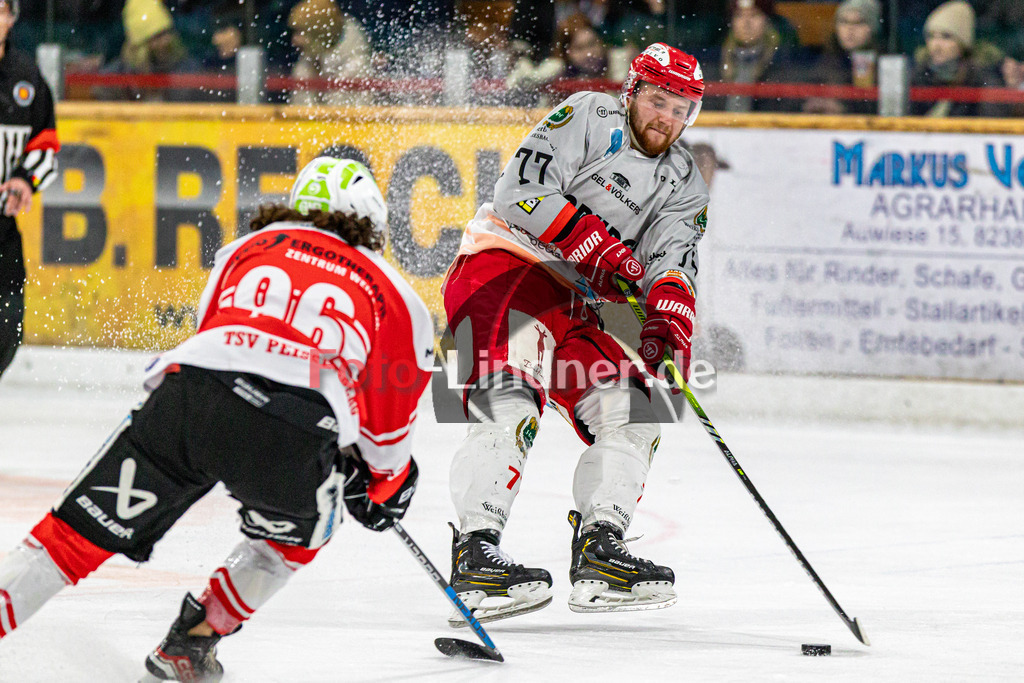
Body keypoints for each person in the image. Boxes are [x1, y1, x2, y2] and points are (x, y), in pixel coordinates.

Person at [0, 158, 434, 681]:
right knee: (293, 539)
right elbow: (386, 434)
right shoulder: (396, 293)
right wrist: (383, 488)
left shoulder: (247, 249)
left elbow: (213, 339)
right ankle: (194, 639)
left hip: (191, 401)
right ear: (374, 223)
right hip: (291, 433)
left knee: (71, 537)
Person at [441, 42, 709, 622]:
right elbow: (519, 194)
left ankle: (601, 550)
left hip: (576, 304)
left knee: (638, 407)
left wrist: (668, 323)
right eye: (659, 99)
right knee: (513, 397)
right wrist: (600, 245)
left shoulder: (684, 181)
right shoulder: (588, 115)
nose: (667, 117)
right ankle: (475, 551)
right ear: (633, 91)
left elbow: (673, 265)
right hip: (504, 267)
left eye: (681, 107)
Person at [0, 0, 59, 380]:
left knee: (9, 316)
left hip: (2, 222)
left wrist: (24, 178)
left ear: (11, 18)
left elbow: (46, 143)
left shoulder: (26, 76)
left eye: (1, 10)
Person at [909, 1, 1008, 118]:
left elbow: (991, 127)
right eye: (931, 36)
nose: (936, 45)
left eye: (946, 37)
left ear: (962, 44)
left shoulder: (983, 79)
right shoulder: (918, 76)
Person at [803, 0, 883, 115]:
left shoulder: (885, 64)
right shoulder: (824, 60)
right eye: (844, 22)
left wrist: (845, 110)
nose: (850, 29)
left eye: (859, 22)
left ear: (873, 28)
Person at [287, 0, 373, 106]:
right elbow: (298, 114)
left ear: (319, 33)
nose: (295, 41)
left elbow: (342, 117)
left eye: (300, 32)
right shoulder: (306, 65)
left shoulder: (356, 67)